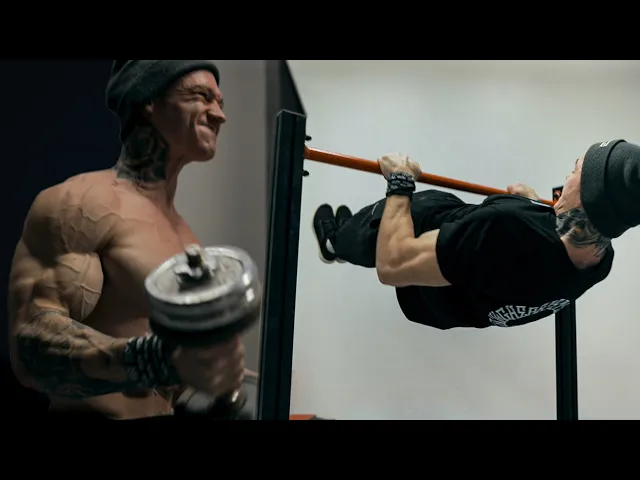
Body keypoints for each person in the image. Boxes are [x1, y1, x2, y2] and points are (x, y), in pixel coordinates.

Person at [7, 60, 251, 420]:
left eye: (220, 102)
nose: (219, 115)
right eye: (201, 97)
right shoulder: (82, 204)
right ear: (149, 99)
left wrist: (218, 386)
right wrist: (156, 361)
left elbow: (174, 383)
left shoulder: (188, 240)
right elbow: (31, 347)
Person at [313, 139, 640, 330]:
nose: (567, 178)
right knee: (440, 203)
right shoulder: (600, 258)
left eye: (575, 171)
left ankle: (335, 243)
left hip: (429, 253)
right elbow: (546, 250)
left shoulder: (503, 226)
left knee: (377, 227)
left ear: (587, 196)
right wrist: (528, 202)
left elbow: (393, 265)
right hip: (467, 271)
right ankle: (348, 233)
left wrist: (399, 180)